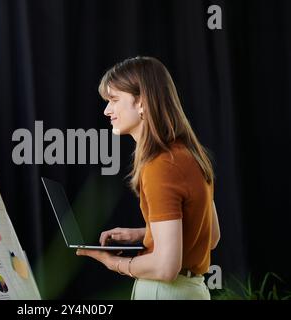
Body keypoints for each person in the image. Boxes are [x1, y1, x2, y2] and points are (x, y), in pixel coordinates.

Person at [76, 56, 221, 300]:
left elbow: (166, 267)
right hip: (193, 291)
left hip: (165, 292)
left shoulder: (160, 166)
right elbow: (211, 236)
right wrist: (145, 234)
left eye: (114, 100)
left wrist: (114, 263)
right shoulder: (189, 154)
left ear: (141, 101)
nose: (107, 110)